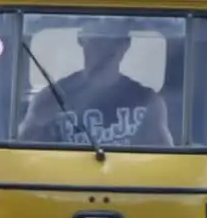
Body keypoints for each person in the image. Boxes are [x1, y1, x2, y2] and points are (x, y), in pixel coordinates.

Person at [18, 20, 174, 147]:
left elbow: (166, 159)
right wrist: (39, 123)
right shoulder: (50, 98)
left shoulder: (148, 101)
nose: (96, 48)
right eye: (90, 40)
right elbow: (21, 153)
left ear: (124, 45)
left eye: (106, 42)